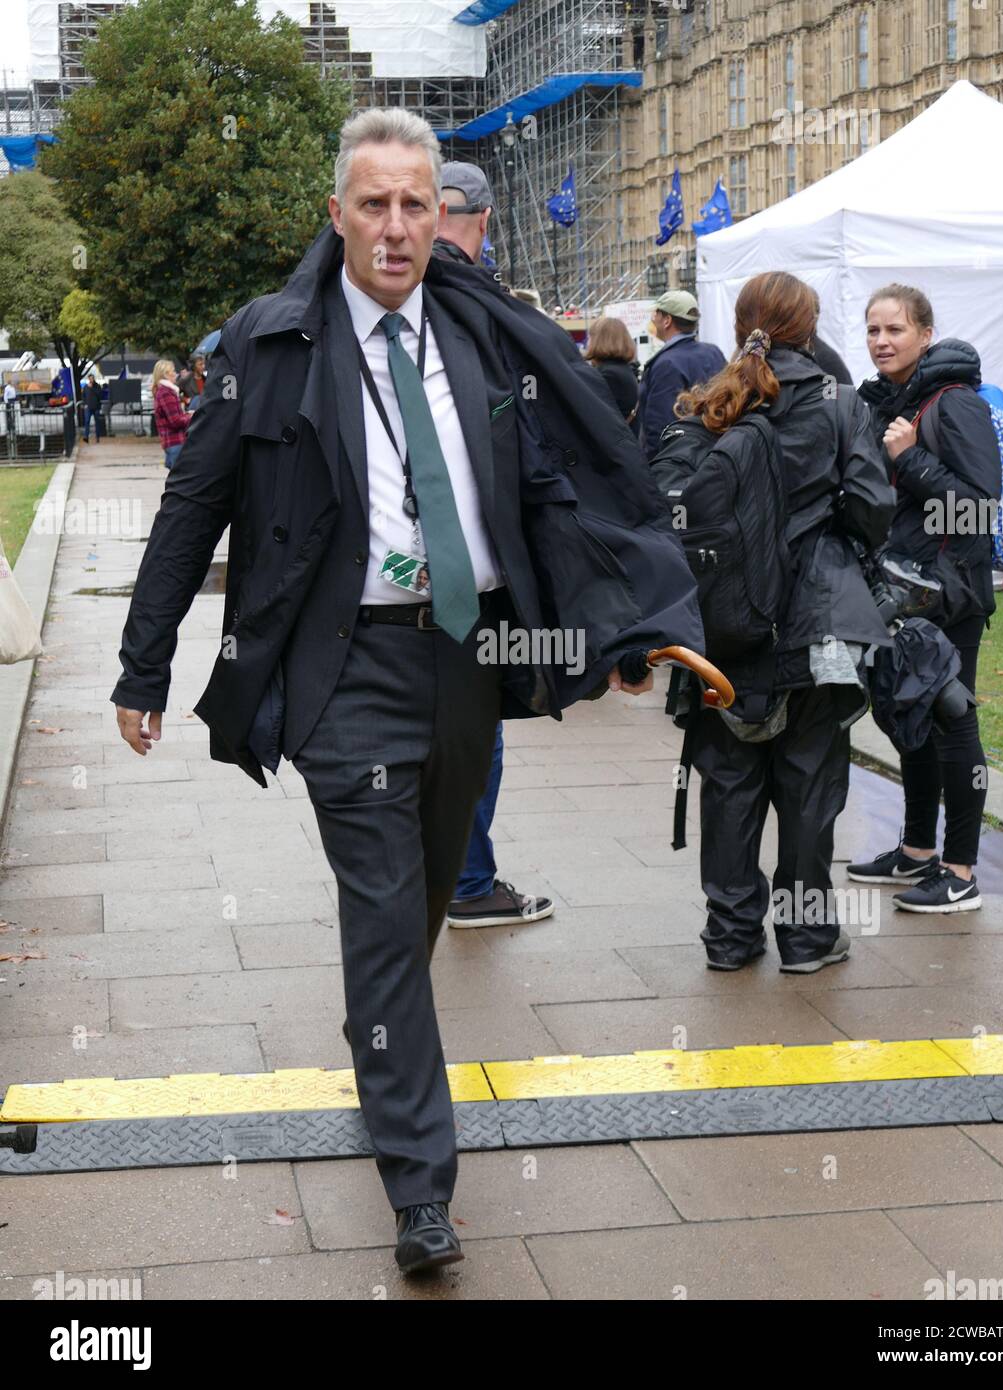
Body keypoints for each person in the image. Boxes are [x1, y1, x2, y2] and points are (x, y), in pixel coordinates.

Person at [111, 108, 700, 1275]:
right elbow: (193, 508)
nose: (394, 226)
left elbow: (554, 493)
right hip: (347, 666)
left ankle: (380, 1031)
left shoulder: (491, 342)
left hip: (466, 660)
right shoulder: (268, 343)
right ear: (337, 215)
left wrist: (626, 619)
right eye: (372, 204)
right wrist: (144, 659)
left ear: (446, 219)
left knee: (425, 893)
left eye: (415, 205)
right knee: (384, 914)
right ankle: (422, 1188)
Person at [652, 270, 894, 972]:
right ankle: (807, 937)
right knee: (810, 783)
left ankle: (730, 938)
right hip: (814, 624)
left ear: (740, 325)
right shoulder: (838, 402)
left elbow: (666, 507)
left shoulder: (707, 404)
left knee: (728, 780)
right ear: (809, 328)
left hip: (722, 624)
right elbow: (874, 510)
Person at [432, 159, 555, 930]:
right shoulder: (487, 311)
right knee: (478, 734)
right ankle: (468, 883)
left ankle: (448, 876)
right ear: (486, 222)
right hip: (467, 576)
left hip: (411, 577)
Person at [850, 284, 1001, 912]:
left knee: (953, 726)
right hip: (902, 596)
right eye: (873, 330)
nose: (882, 342)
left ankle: (961, 871)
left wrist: (909, 460)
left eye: (896, 330)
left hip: (950, 600)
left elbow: (976, 509)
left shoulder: (955, 403)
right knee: (909, 718)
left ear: (925, 335)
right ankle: (916, 853)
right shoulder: (888, 401)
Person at [635, 290, 726, 454]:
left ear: (667, 320)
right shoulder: (713, 352)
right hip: (716, 454)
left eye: (656, 314)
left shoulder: (666, 364)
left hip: (679, 464)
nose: (653, 319)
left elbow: (660, 428)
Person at [584, 316, 639, 428]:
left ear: (599, 340)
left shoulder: (608, 374)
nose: (588, 342)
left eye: (590, 337)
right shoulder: (621, 369)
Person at [151, 359, 192, 469]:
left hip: (171, 442)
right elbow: (175, 421)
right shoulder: (166, 393)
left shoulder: (164, 391)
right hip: (175, 441)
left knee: (177, 481)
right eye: (172, 371)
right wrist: (191, 416)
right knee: (180, 482)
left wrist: (187, 414)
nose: (175, 374)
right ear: (165, 375)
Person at [82, 375, 104, 443]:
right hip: (88, 407)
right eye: (90, 378)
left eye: (92, 378)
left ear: (94, 378)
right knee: (87, 421)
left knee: (97, 423)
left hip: (96, 407)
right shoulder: (86, 387)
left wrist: (92, 388)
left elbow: (100, 395)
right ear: (88, 379)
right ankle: (86, 437)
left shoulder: (97, 386)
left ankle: (97, 437)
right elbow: (83, 396)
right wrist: (85, 404)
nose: (91, 379)